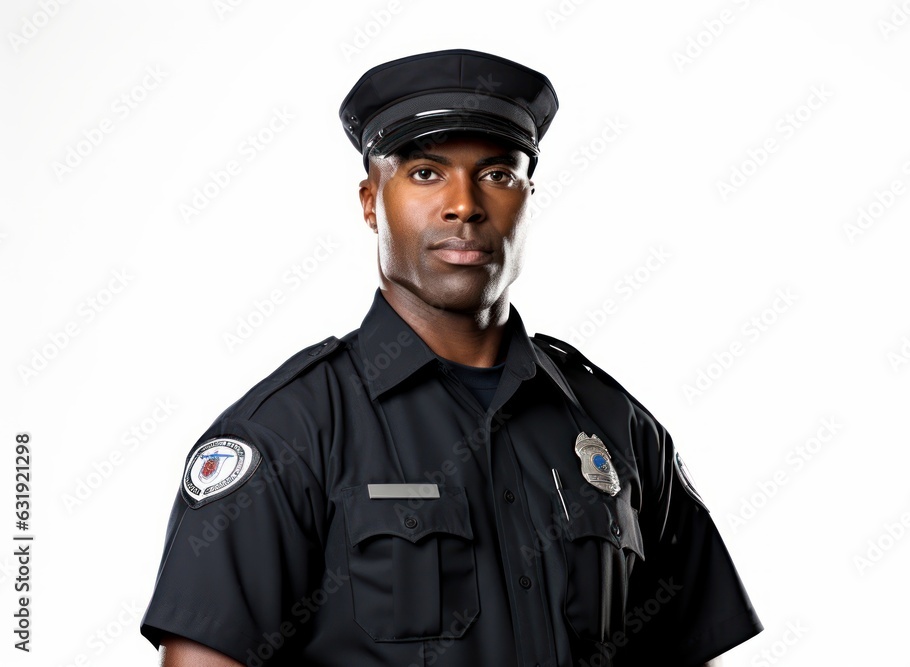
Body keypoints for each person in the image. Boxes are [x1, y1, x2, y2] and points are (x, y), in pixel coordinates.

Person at [140, 48, 763, 667]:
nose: (465, 205)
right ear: (369, 202)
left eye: (497, 174)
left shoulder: (617, 426)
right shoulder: (288, 432)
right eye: (426, 173)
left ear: (527, 198)